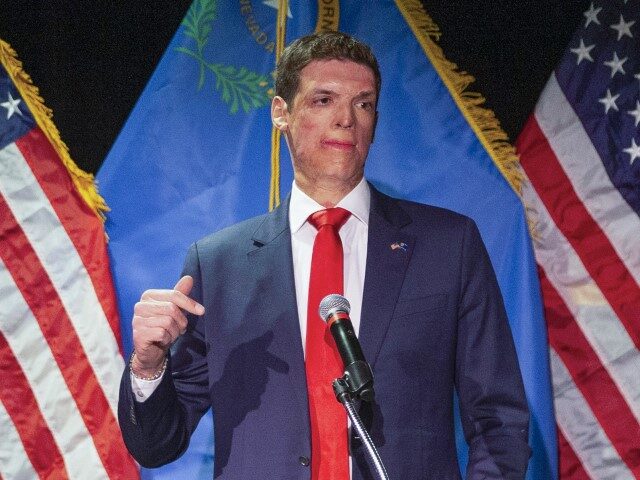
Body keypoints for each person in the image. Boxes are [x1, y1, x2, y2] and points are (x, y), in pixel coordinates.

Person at [118, 31, 530, 479]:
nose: (346, 120)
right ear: (281, 113)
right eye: (323, 100)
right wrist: (148, 363)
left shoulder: (448, 246)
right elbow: (157, 445)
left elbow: (498, 422)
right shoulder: (219, 265)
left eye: (363, 103)